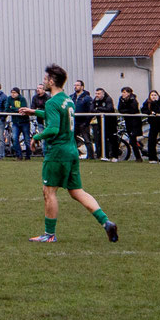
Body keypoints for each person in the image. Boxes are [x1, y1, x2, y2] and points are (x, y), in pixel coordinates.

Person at [27, 64, 120, 245]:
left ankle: (49, 234)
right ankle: (105, 222)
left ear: (52, 81)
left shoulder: (51, 102)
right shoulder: (67, 100)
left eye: (46, 79)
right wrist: (34, 111)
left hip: (57, 153)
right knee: (77, 191)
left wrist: (36, 137)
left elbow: (53, 128)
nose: (44, 81)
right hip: (71, 151)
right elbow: (57, 117)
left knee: (49, 191)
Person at [117, 86, 143, 162]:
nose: (123, 94)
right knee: (132, 140)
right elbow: (120, 109)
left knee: (132, 140)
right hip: (128, 121)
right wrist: (126, 111)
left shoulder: (133, 100)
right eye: (122, 92)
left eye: (124, 92)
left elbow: (133, 110)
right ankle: (139, 154)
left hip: (134, 122)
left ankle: (138, 157)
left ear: (129, 93)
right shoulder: (121, 99)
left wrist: (125, 111)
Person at [142, 91, 160, 165]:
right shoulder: (147, 103)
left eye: (155, 95)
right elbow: (144, 110)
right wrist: (150, 112)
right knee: (151, 141)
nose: (153, 96)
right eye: (152, 95)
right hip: (153, 124)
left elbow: (159, 109)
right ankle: (152, 158)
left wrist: (155, 103)